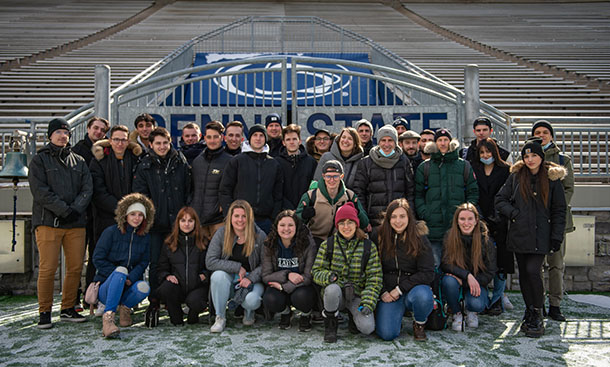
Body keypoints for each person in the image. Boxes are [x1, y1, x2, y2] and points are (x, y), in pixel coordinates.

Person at [495, 137, 566, 338]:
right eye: (526, 156)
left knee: (533, 270)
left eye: (534, 155)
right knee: (524, 275)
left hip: (541, 235)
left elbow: (559, 210)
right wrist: (514, 214)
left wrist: (556, 236)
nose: (530, 159)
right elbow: (500, 199)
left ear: (541, 156)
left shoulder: (552, 179)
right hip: (520, 234)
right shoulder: (517, 177)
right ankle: (530, 310)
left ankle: (537, 312)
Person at [28, 118, 93, 329]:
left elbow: (87, 189)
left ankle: (67, 308)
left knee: (75, 267)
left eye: (66, 133)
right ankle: (44, 311)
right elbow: (40, 192)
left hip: (75, 223)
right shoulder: (39, 160)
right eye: (58, 132)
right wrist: (64, 210)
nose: (62, 136)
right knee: (48, 268)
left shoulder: (79, 161)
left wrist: (75, 210)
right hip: (49, 222)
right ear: (50, 135)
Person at [133, 126, 191, 324]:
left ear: (170, 142)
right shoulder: (145, 165)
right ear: (151, 144)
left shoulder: (180, 161)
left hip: (177, 223)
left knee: (180, 262)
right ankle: (155, 300)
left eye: (165, 143)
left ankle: (174, 300)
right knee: (157, 263)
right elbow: (140, 196)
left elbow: (188, 189)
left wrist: (185, 216)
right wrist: (149, 218)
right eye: (158, 143)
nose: (162, 146)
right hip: (156, 225)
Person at [312, 202, 382, 343]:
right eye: (342, 223)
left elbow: (375, 278)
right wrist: (330, 277)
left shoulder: (368, 246)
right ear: (337, 225)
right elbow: (316, 271)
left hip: (357, 294)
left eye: (350, 222)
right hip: (336, 292)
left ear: (356, 224)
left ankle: (353, 317)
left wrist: (368, 302)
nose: (346, 227)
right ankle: (331, 324)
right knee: (331, 290)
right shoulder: (328, 244)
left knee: (367, 328)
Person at [89, 125, 142, 301]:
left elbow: (138, 186)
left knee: (131, 257)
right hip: (107, 218)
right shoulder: (99, 160)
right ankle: (101, 296)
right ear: (110, 141)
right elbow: (99, 191)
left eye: (124, 139)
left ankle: (128, 299)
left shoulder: (135, 159)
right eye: (116, 139)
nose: (120, 143)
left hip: (132, 218)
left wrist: (131, 211)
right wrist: (122, 209)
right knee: (104, 257)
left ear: (128, 141)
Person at [92, 193, 155, 337]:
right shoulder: (111, 232)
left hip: (128, 283)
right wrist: (119, 275)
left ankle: (125, 309)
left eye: (140, 215)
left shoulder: (145, 237)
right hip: (106, 285)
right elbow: (98, 258)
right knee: (120, 270)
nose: (136, 218)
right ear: (125, 215)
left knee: (144, 287)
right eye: (133, 214)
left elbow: (144, 261)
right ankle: (108, 318)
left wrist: (130, 277)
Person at [414, 128, 479, 267]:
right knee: (435, 265)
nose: (443, 143)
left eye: (445, 140)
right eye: (439, 140)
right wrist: (425, 213)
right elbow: (418, 195)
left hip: (457, 227)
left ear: (450, 142)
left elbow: (473, 191)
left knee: (456, 266)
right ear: (435, 143)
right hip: (433, 227)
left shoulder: (463, 165)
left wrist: (467, 213)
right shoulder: (424, 167)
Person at [532, 119, 575, 322]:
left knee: (556, 265)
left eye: (545, 132)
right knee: (537, 265)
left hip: (557, 221)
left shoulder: (562, 159)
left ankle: (555, 304)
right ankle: (538, 303)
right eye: (537, 132)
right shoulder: (529, 159)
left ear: (551, 135)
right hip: (535, 223)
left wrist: (552, 208)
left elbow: (568, 189)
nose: (541, 135)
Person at [375, 199, 435, 341]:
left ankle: (419, 323)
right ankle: (395, 318)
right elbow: (372, 268)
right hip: (388, 292)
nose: (398, 221)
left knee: (423, 296)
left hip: (412, 289)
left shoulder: (419, 238)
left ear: (409, 217)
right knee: (387, 334)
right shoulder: (378, 236)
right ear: (388, 218)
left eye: (402, 216)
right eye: (394, 217)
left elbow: (427, 272)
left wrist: (400, 289)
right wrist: (382, 291)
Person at [206, 200, 266, 332]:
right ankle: (220, 317)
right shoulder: (222, 233)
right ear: (230, 217)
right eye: (236, 216)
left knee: (252, 300)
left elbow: (266, 264)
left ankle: (249, 312)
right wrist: (237, 267)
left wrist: (250, 279)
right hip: (231, 277)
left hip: (253, 280)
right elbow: (210, 261)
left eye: (244, 216)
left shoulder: (259, 235)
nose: (240, 220)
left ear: (249, 218)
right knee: (217, 276)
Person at [71, 116, 109, 310]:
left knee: (95, 254)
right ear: (88, 128)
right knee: (77, 258)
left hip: (97, 212)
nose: (99, 132)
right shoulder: (78, 150)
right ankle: (74, 298)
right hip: (80, 211)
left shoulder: (105, 151)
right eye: (96, 128)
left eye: (102, 130)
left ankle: (90, 296)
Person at [471, 138, 513, 315]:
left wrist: (499, 214)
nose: (485, 155)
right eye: (482, 153)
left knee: (501, 263)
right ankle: (483, 297)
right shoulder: (475, 170)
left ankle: (497, 299)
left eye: (488, 152)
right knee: (484, 259)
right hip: (481, 221)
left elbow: (509, 195)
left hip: (501, 222)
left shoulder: (506, 170)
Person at [441, 203, 497, 332]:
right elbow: (445, 263)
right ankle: (456, 312)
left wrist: (469, 281)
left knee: (476, 304)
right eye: (462, 219)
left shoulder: (486, 240)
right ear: (457, 221)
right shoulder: (449, 236)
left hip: (477, 282)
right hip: (458, 280)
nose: (466, 223)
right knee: (448, 281)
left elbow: (490, 271)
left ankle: (471, 311)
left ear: (476, 220)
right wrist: (467, 275)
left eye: (470, 219)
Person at [219, 124, 283, 234]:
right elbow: (225, 190)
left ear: (265, 139)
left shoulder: (274, 164)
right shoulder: (237, 161)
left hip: (265, 221)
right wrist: (230, 215)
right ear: (250, 138)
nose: (258, 138)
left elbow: (278, 194)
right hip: (241, 220)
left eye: (261, 136)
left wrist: (273, 217)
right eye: (255, 135)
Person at [262, 210, 317, 331]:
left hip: (302, 286)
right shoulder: (269, 244)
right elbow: (266, 275)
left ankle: (306, 315)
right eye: (282, 225)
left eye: (290, 225)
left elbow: (308, 276)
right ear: (276, 227)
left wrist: (284, 287)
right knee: (270, 298)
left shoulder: (308, 244)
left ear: (297, 227)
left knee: (301, 297)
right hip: (280, 283)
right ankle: (285, 312)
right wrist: (287, 274)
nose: (286, 229)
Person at [353, 125, 415, 229]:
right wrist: (364, 220)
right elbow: (359, 193)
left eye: (390, 140)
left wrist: (409, 216)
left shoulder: (404, 161)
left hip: (399, 221)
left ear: (395, 142)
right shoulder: (365, 163)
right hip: (374, 222)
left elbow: (410, 192)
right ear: (378, 142)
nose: (386, 144)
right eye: (383, 140)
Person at [156, 207, 209, 326]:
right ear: (178, 223)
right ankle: (176, 317)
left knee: (195, 302)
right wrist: (167, 276)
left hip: (197, 286)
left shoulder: (204, 242)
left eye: (190, 221)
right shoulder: (169, 243)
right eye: (183, 220)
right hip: (177, 286)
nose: (186, 224)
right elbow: (161, 267)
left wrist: (205, 275)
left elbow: (211, 265)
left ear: (195, 223)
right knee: (166, 288)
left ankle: (193, 314)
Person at [296, 160, 370, 245]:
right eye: (328, 176)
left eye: (335, 176)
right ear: (323, 176)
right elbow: (296, 222)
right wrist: (303, 216)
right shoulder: (311, 196)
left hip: (340, 241)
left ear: (341, 176)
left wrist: (358, 212)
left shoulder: (350, 196)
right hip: (314, 239)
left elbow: (364, 223)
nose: (332, 180)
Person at [190, 121, 232, 246]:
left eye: (215, 137)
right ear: (204, 138)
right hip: (199, 220)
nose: (212, 140)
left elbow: (232, 189)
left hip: (218, 221)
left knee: (218, 257)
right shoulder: (198, 161)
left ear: (222, 138)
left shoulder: (230, 161)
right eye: (209, 137)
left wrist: (223, 207)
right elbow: (191, 187)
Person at [276, 124, 317, 210]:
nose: (291, 142)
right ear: (283, 142)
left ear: (300, 141)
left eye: (294, 139)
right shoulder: (276, 163)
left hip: (306, 210)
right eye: (288, 139)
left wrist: (304, 206)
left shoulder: (311, 162)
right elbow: (276, 190)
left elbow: (314, 188)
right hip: (284, 211)